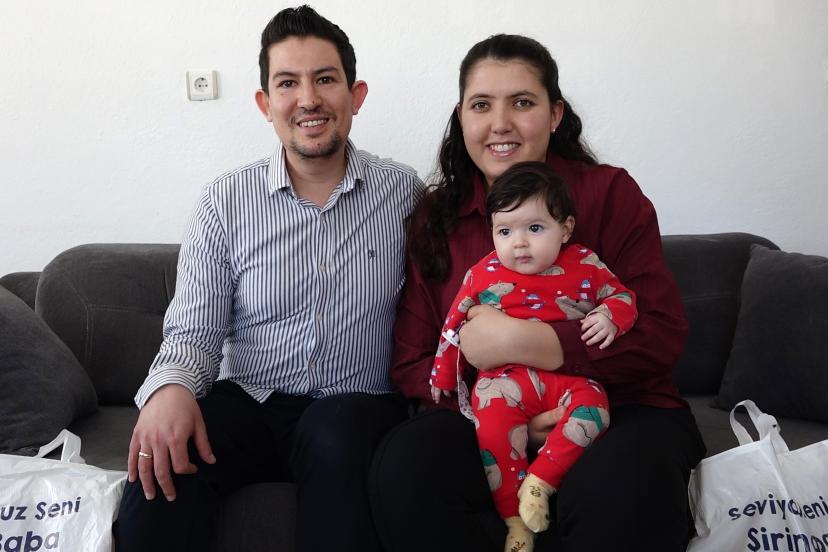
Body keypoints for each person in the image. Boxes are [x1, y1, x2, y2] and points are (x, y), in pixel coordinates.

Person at [370, 34, 706, 552]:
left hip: (621, 410)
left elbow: (661, 334)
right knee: (406, 465)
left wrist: (530, 344)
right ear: (462, 118)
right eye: (482, 105)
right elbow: (413, 361)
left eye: (522, 102)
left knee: (622, 488)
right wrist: (505, 414)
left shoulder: (610, 194)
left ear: (555, 115)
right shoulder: (438, 216)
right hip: (484, 416)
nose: (500, 123)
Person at [113, 6, 423, 552]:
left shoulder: (405, 195)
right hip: (251, 400)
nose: (308, 99)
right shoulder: (224, 201)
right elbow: (194, 330)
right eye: (287, 83)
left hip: (354, 405)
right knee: (162, 464)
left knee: (338, 434)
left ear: (356, 95)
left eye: (325, 79)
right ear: (265, 103)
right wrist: (170, 388)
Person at [430, 161, 637, 551]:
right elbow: (453, 326)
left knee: (597, 410)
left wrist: (611, 315)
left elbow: (624, 297)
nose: (519, 243)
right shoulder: (482, 274)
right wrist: (443, 374)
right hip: (503, 382)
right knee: (491, 430)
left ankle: (541, 481)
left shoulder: (586, 265)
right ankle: (515, 522)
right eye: (505, 231)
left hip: (569, 379)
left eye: (535, 229)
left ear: (566, 228)